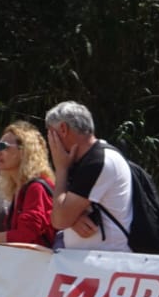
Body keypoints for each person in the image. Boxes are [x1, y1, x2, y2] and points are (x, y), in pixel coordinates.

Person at [45, 100, 133, 252]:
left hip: (106, 259)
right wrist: (73, 219)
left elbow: (59, 220)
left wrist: (61, 169)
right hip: (90, 259)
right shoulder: (89, 159)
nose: (49, 141)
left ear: (63, 129)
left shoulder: (97, 162)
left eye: (50, 133)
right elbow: (62, 213)